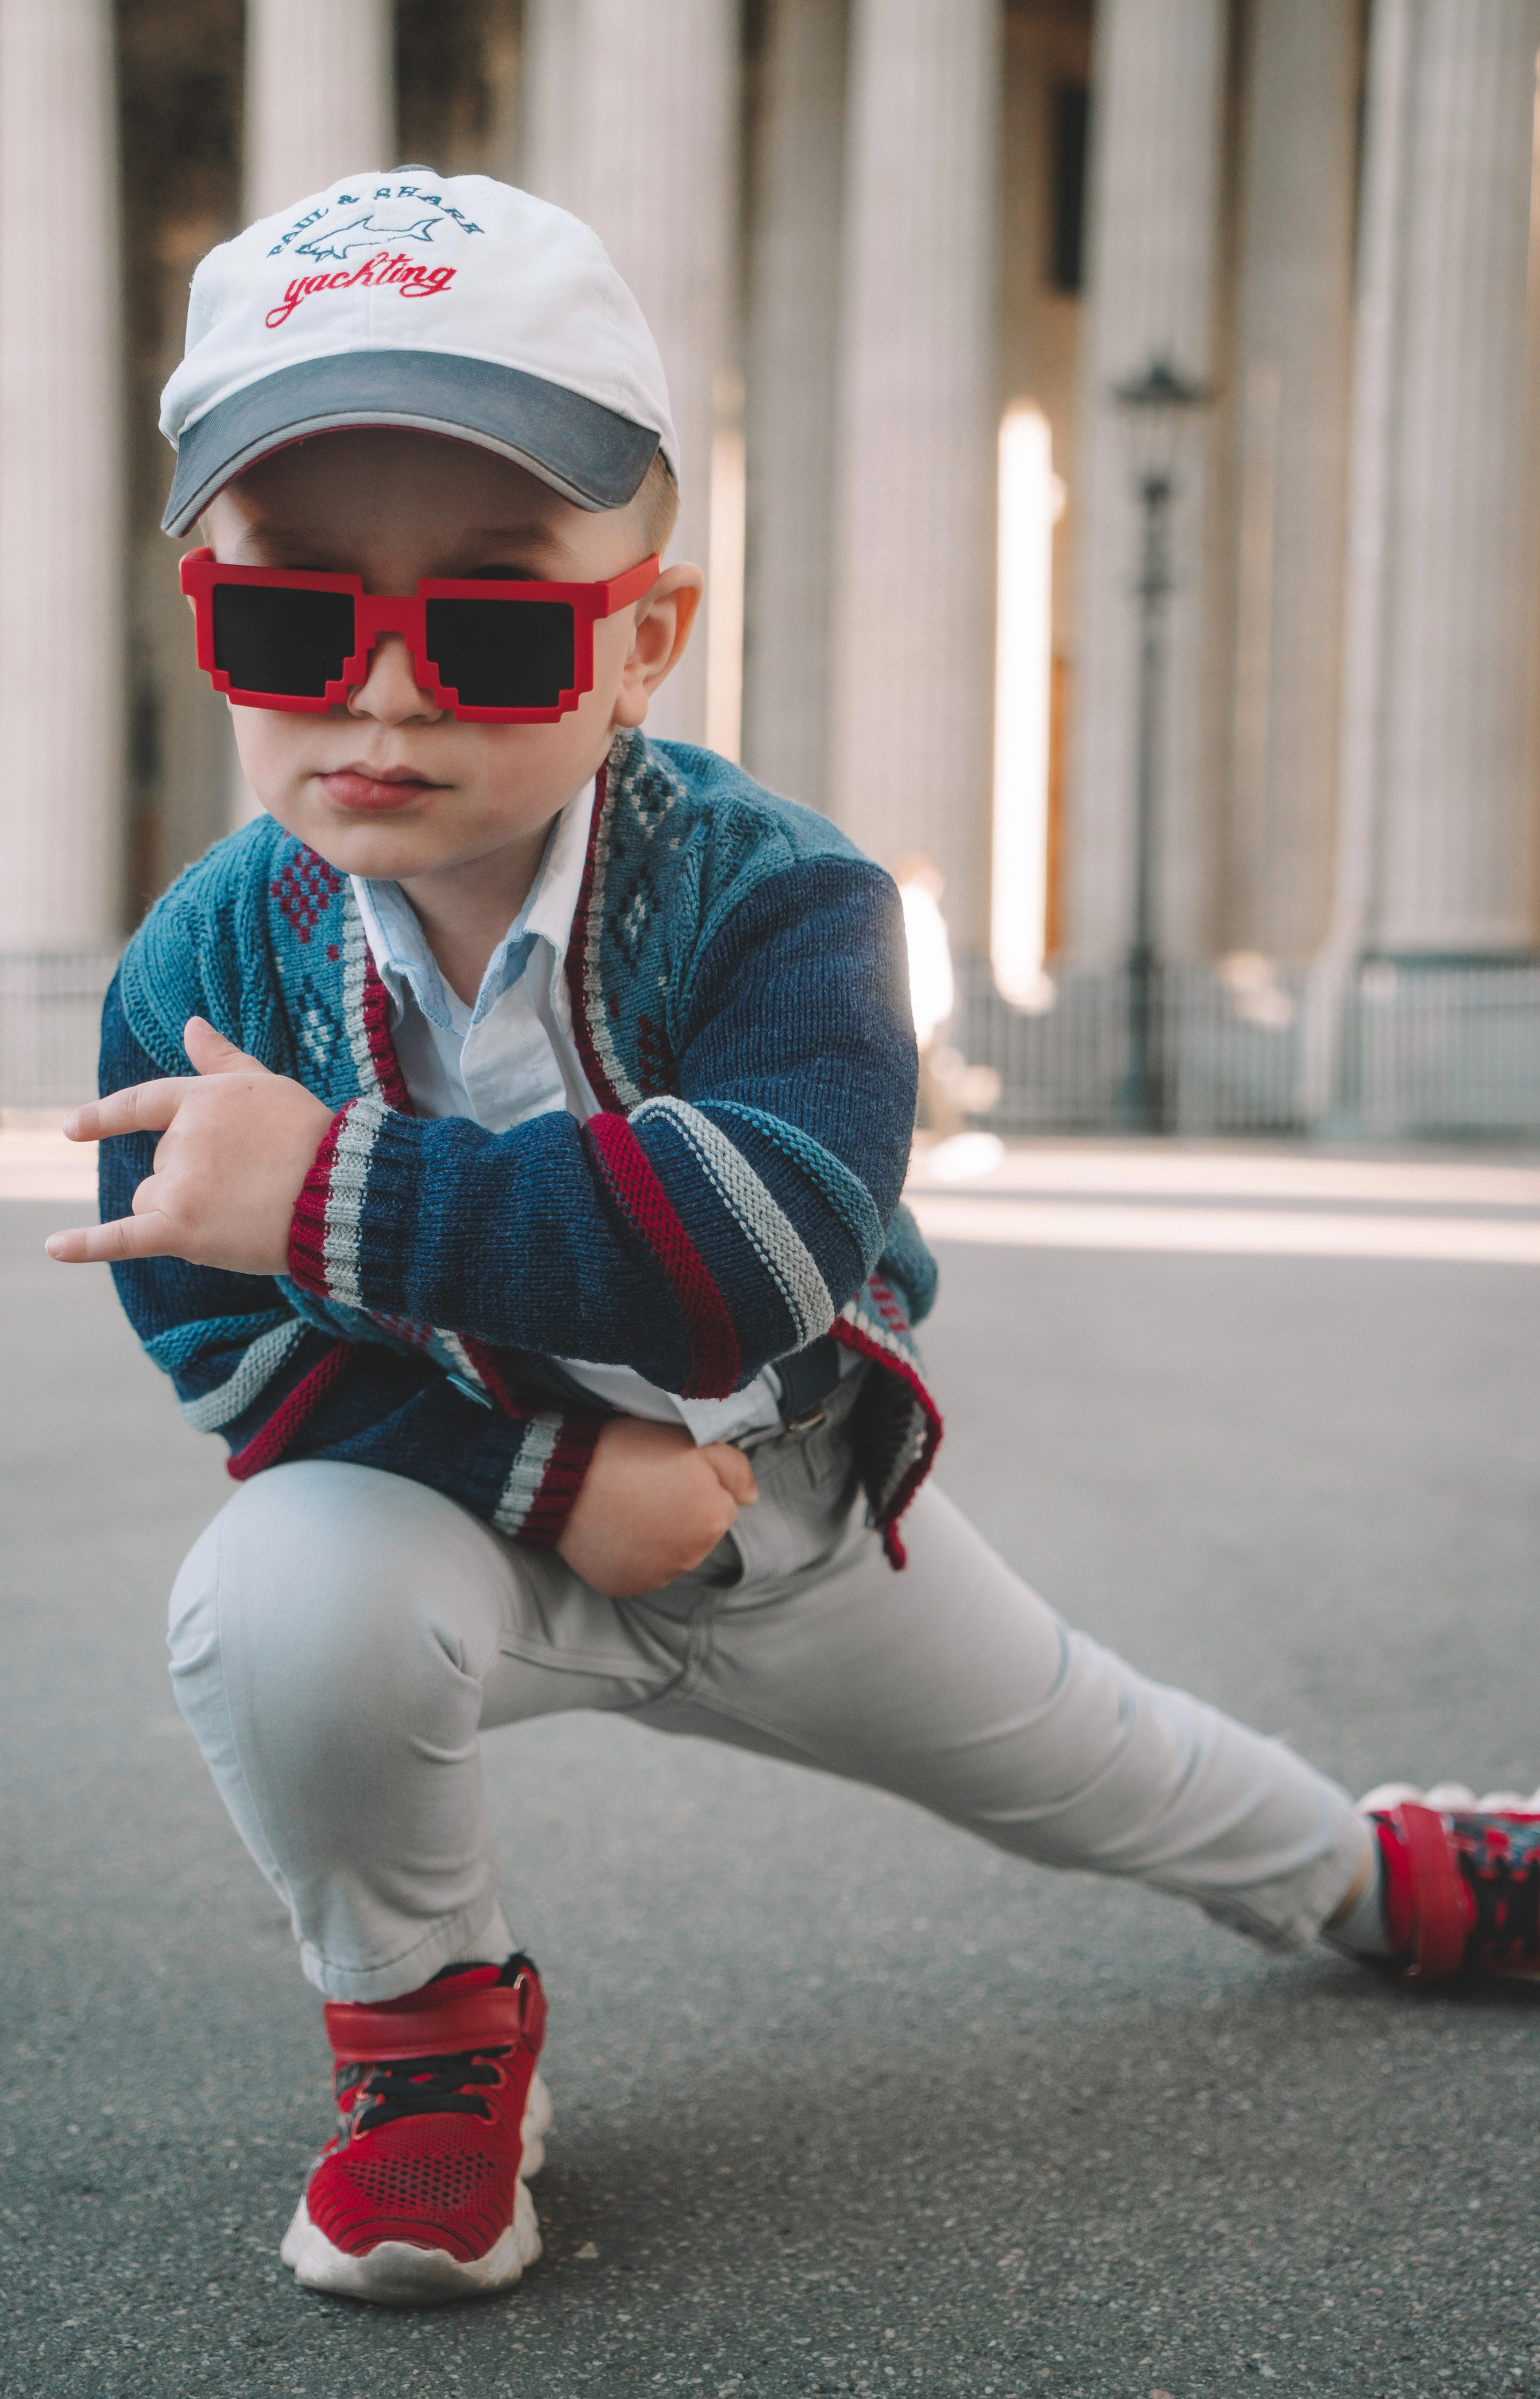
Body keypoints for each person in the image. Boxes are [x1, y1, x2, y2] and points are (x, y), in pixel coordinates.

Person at [48, 170, 1540, 2311]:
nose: (379, 696)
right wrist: (557, 1477)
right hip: (469, 1517)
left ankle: (1386, 1878)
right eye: (291, 622)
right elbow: (213, 1336)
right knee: (275, 1598)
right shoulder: (197, 959)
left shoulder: (787, 895)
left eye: (487, 624)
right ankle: (432, 2048)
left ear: (646, 632)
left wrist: (335, 1190)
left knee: (1111, 1766)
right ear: (209, 613)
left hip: (806, 1518)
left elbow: (755, 1243)